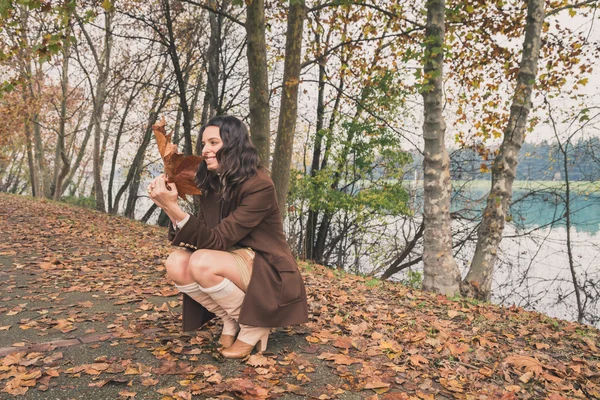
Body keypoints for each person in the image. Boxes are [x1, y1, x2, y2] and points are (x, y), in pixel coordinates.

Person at [147, 115, 308, 359]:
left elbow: (217, 240)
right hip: (231, 257)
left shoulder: (259, 185)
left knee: (202, 261)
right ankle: (231, 318)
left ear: (234, 145)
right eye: (204, 144)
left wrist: (173, 208)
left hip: (267, 269)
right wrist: (171, 210)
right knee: (176, 262)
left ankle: (255, 325)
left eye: (214, 143)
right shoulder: (213, 182)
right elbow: (204, 234)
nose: (205, 150)